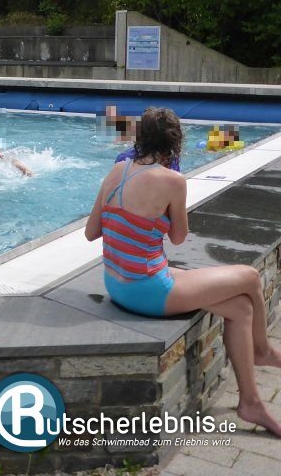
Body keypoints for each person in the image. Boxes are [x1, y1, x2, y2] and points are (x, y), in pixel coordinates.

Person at [85, 108, 281, 437]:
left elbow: (92, 232)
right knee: (248, 277)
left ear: (140, 138)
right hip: (148, 288)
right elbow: (178, 237)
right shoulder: (173, 180)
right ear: (174, 144)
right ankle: (263, 351)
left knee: (241, 308)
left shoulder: (118, 170)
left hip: (117, 282)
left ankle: (251, 402)